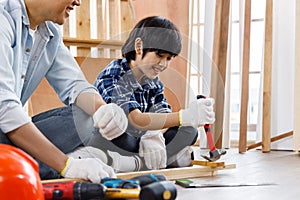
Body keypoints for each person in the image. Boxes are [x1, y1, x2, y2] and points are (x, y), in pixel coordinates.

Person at [0, 0, 128, 183]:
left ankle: (29, 163)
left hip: (7, 134)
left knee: (85, 117)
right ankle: (45, 166)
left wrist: (104, 110)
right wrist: (66, 165)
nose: (78, 2)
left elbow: (74, 84)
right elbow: (4, 108)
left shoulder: (49, 31)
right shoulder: (2, 17)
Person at [92, 16, 220, 170]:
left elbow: (164, 114)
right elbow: (135, 119)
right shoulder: (113, 75)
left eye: (169, 58)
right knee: (123, 138)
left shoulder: (154, 82)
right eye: (160, 56)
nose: (164, 64)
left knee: (189, 131)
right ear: (139, 47)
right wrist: (186, 115)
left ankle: (138, 162)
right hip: (121, 136)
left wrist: (154, 134)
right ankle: (155, 159)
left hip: (142, 136)